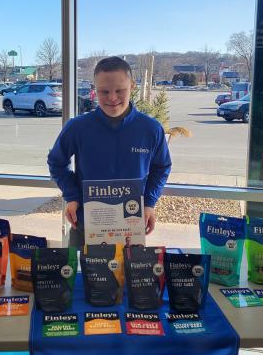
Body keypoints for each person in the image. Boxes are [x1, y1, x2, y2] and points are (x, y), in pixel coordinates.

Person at [47, 56, 172, 247]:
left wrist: (149, 203)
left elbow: (161, 167)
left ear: (132, 85)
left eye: (120, 91)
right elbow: (56, 162)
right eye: (104, 91)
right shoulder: (77, 127)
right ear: (94, 89)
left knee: (127, 277)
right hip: (86, 227)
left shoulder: (151, 129)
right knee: (82, 277)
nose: (112, 98)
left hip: (130, 228)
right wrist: (71, 196)